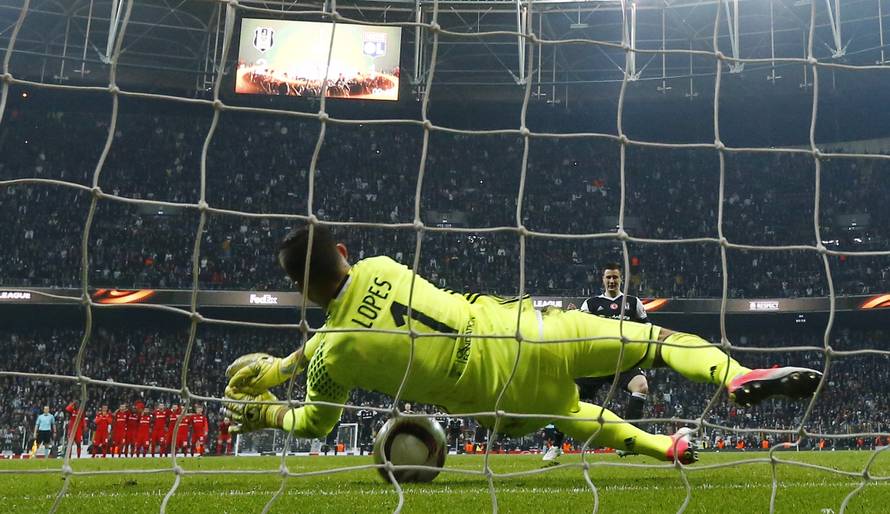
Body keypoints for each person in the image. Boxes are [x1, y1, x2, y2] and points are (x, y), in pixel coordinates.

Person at [223, 226, 823, 466]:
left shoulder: (333, 355)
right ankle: (735, 374)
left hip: (500, 400)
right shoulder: (383, 263)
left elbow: (315, 421)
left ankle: (664, 447)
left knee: (580, 416)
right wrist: (285, 364)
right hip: (525, 329)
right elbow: (357, 309)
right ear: (345, 253)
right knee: (657, 341)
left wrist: (270, 398)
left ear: (300, 290)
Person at [545, 262, 651, 462]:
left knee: (641, 386)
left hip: (623, 362)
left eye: (615, 277)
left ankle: (628, 442)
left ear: (621, 279)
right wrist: (572, 317)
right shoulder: (591, 304)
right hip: (597, 362)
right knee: (570, 396)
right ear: (603, 280)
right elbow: (580, 329)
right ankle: (556, 446)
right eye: (608, 277)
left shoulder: (633, 303)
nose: (612, 281)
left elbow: (647, 330)